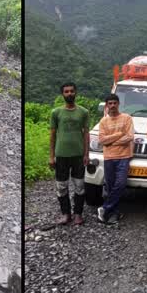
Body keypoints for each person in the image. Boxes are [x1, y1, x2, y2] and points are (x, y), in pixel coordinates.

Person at [49, 83, 90, 225]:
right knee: (61, 186)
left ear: (76, 93)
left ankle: (78, 214)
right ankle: (65, 214)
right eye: (66, 91)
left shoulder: (83, 112)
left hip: (78, 155)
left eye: (72, 91)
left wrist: (86, 154)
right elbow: (52, 135)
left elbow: (86, 134)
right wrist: (51, 156)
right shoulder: (56, 112)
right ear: (63, 94)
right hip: (61, 155)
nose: (69, 93)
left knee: (79, 186)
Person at [97, 94, 134, 226]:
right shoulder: (103, 121)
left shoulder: (127, 118)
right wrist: (119, 134)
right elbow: (101, 140)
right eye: (110, 103)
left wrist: (110, 141)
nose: (112, 105)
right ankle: (113, 214)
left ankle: (105, 208)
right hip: (108, 157)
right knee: (110, 185)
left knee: (121, 184)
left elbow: (129, 137)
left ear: (118, 104)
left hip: (124, 156)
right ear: (107, 105)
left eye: (114, 103)